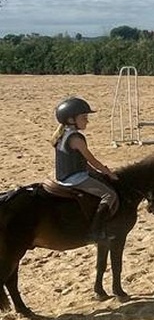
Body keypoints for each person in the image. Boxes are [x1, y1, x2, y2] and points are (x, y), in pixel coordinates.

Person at [49, 97, 119, 241]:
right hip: (75, 179)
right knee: (109, 195)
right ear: (71, 120)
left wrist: (96, 173)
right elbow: (92, 160)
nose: (87, 121)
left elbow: (79, 160)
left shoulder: (62, 135)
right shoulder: (76, 138)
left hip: (64, 175)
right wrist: (109, 173)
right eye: (84, 117)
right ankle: (96, 231)